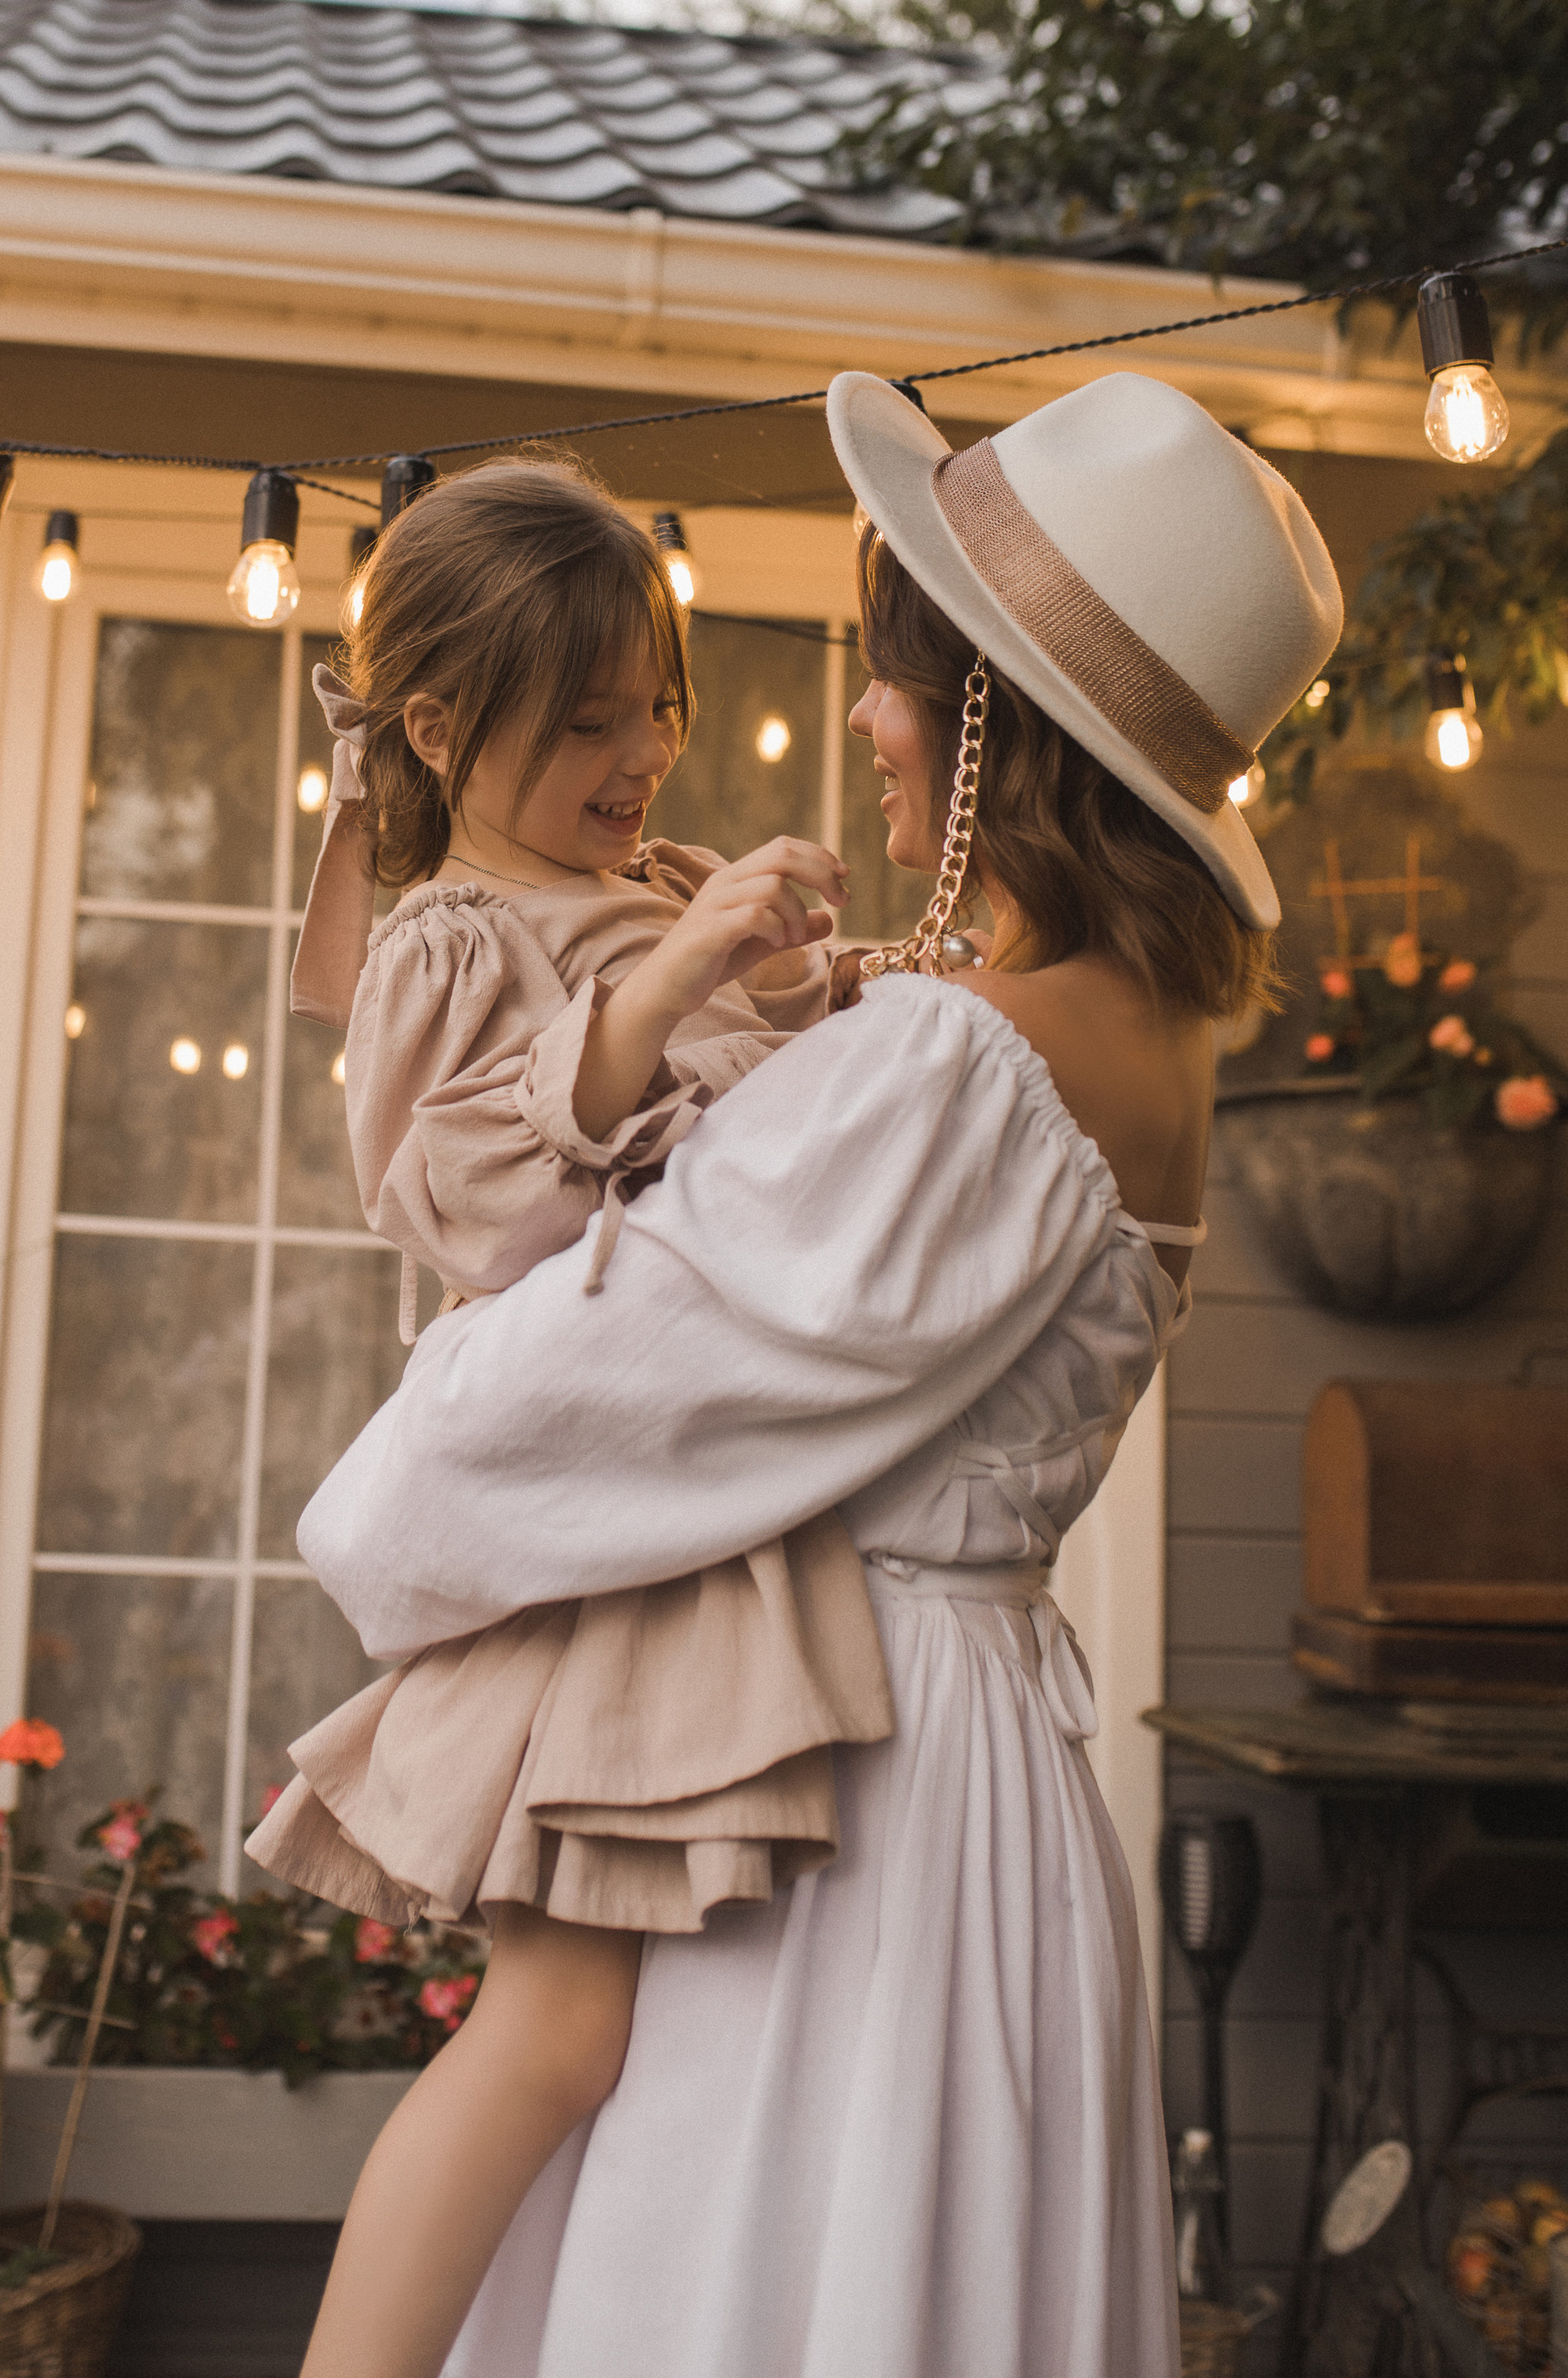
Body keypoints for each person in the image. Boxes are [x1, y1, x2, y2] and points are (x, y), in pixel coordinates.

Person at [293, 370, 1345, 2378]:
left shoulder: (953, 1064)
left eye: (897, 679)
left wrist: (383, 1508)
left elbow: (563, 1400)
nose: (860, 718)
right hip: (962, 1772)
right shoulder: (1120, 1035)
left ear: (992, 724)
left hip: (843, 1788)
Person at [246, 457, 895, 2378]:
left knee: (667, 2042)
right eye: (588, 720)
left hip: (708, 1503)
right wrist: (679, 973)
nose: (642, 755)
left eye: (656, 706)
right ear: (441, 729)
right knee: (552, 2035)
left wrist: (857, 986)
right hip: (589, 1530)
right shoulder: (454, 938)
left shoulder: (661, 894)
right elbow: (458, 1199)